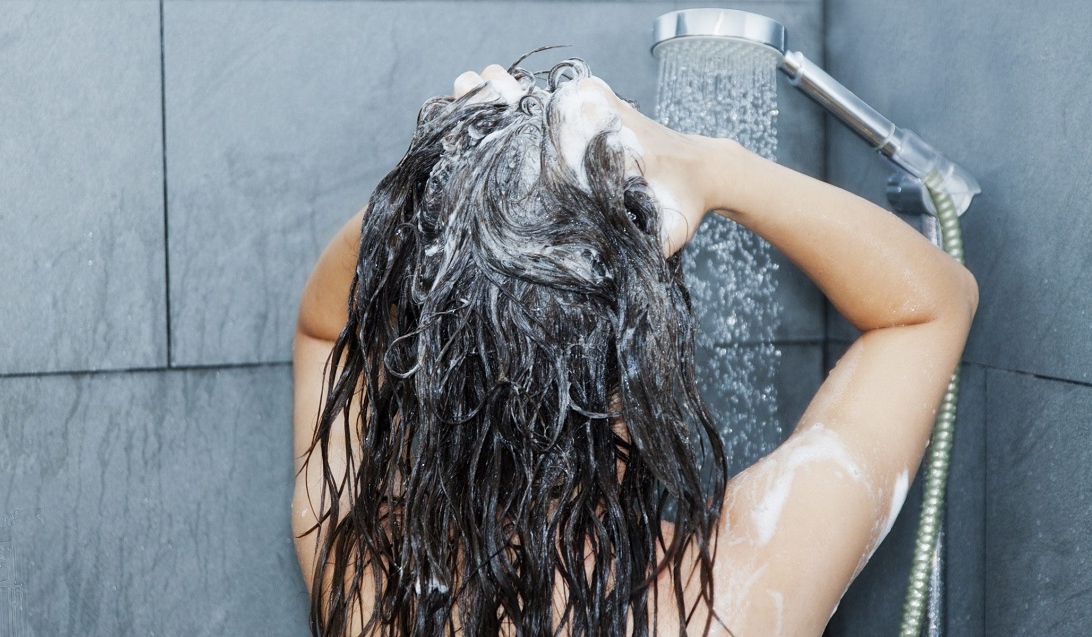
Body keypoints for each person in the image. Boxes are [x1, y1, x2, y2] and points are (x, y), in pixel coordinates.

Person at [291, 59, 978, 636]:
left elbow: (325, 326)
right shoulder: (737, 596)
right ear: (643, 360)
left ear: (440, 369)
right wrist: (713, 169)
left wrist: (446, 184)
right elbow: (929, 307)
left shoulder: (373, 586)